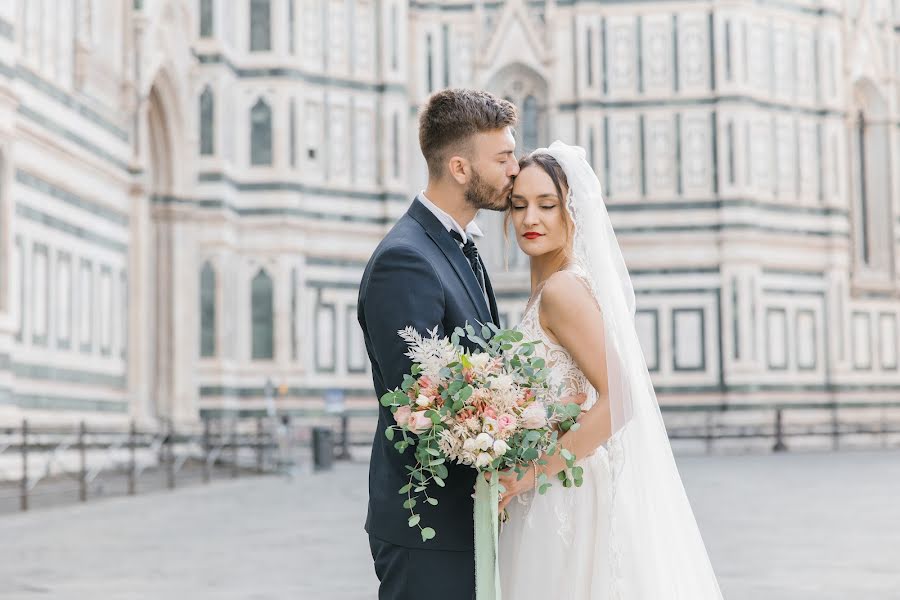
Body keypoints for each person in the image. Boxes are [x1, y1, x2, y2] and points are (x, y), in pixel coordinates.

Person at [497, 142, 724, 599]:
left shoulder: (563, 290)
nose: (529, 220)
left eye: (547, 205)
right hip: (550, 487)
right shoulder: (552, 288)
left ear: (572, 212)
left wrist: (530, 474)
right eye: (518, 206)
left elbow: (619, 398)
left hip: (561, 491)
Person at [357, 88, 517, 600]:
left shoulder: (456, 245)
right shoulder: (405, 260)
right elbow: (422, 403)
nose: (515, 168)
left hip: (465, 518)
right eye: (503, 157)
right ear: (460, 168)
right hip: (427, 525)